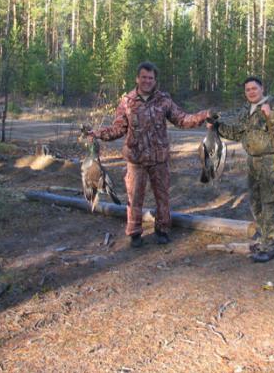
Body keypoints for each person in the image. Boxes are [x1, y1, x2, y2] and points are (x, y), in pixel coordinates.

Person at [89, 61, 211, 248]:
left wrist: (203, 115)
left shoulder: (164, 100)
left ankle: (162, 230)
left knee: (162, 197)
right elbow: (118, 128)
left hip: (159, 159)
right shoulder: (127, 101)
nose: (147, 81)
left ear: (155, 80)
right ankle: (135, 233)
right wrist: (97, 134)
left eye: (151, 78)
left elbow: (182, 119)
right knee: (134, 197)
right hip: (135, 159)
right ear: (137, 78)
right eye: (144, 77)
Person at [209, 76, 274, 262]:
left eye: (254, 88)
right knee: (255, 203)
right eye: (248, 90)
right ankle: (263, 237)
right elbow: (237, 133)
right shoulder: (246, 110)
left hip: (270, 160)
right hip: (252, 162)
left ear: (262, 88)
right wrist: (216, 127)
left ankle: (269, 245)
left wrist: (271, 115)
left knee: (269, 202)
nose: (251, 92)